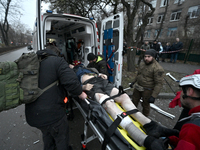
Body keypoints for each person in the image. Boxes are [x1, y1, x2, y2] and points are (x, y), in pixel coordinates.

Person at [69, 62, 178, 150]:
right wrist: (83, 87)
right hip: (90, 85)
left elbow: (96, 73)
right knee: (108, 102)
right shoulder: (71, 73)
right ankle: (143, 139)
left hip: (100, 80)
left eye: (74, 64)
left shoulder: (88, 68)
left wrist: (99, 75)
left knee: (124, 96)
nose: (73, 65)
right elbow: (71, 86)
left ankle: (151, 125)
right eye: (72, 65)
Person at [25, 45, 87, 150]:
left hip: (33, 115)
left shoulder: (33, 62)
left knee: (47, 134)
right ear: (56, 54)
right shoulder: (57, 61)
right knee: (61, 138)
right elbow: (71, 82)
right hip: (52, 115)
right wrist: (81, 93)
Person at [168, 74, 200, 150]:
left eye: (182, 90)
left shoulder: (192, 129)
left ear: (189, 91)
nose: (180, 93)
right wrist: (171, 138)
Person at [130, 49, 164, 117]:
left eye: (149, 57)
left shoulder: (158, 68)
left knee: (145, 105)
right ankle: (131, 114)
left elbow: (159, 83)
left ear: (153, 57)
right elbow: (138, 74)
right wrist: (133, 82)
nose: (146, 58)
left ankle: (145, 118)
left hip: (147, 90)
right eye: (145, 56)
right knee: (133, 102)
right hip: (138, 87)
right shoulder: (142, 64)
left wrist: (153, 96)